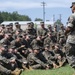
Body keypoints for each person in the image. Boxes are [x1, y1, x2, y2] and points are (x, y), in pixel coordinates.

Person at [65, 2, 75, 75]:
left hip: (72, 40)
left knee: (69, 55)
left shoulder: (73, 16)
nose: (71, 8)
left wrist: (65, 33)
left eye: (72, 7)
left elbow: (69, 28)